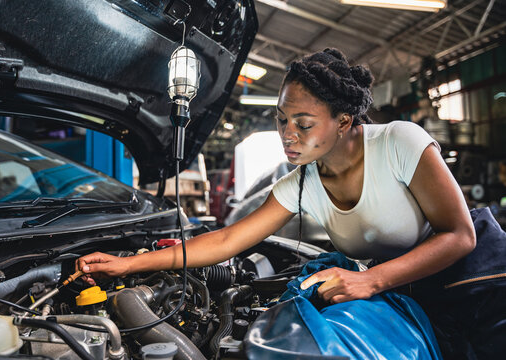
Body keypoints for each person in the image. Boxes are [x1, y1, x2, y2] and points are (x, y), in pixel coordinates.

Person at [77, 48, 482, 356]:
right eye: (281, 119)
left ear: (344, 121)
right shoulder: (301, 182)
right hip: (400, 295)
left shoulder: (399, 143)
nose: (287, 134)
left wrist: (370, 279)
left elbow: (460, 235)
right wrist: (127, 264)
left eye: (303, 124)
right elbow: (226, 241)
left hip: (467, 286)